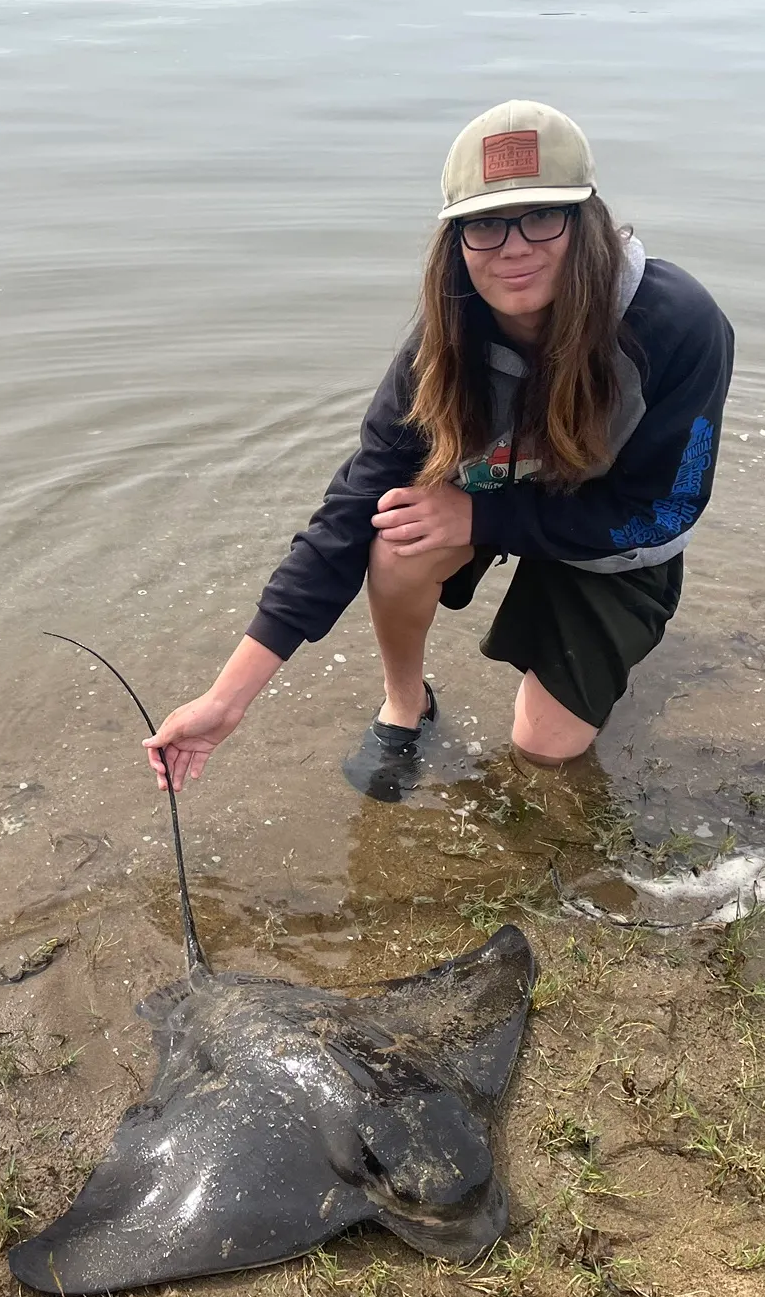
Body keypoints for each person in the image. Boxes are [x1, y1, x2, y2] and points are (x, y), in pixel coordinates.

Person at [145, 99, 735, 803]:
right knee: (395, 531)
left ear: (589, 224)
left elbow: (665, 513)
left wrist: (482, 520)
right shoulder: (441, 346)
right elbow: (348, 512)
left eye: (543, 215)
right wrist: (227, 698)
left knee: (543, 752)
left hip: (614, 539)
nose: (513, 246)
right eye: (485, 224)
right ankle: (405, 704)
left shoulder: (678, 324)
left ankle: (592, 662)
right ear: (456, 240)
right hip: (504, 493)